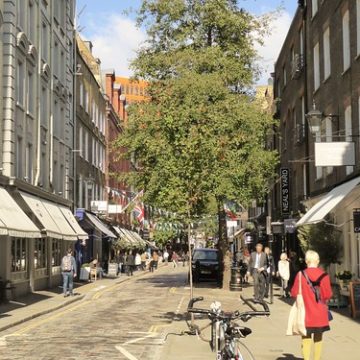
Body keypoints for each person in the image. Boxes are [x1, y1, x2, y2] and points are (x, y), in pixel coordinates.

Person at [290, 250, 332, 360]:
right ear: (317, 261)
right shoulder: (325, 275)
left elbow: (294, 292)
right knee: (318, 338)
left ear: (306, 261)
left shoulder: (300, 275)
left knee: (306, 337)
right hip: (320, 313)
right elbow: (328, 294)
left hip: (305, 313)